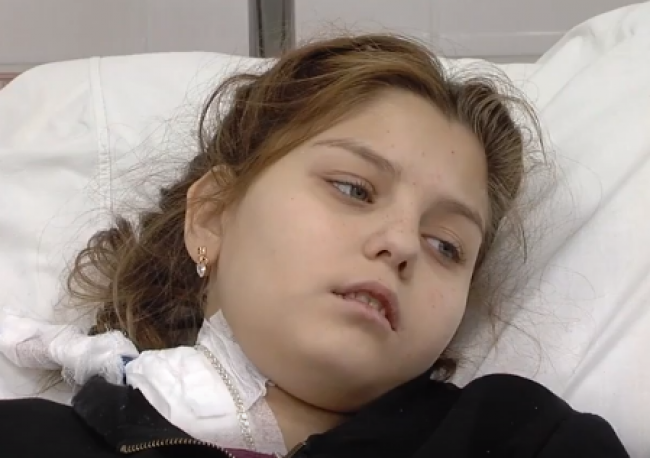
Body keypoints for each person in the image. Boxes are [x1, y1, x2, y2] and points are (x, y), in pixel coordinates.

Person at [0, 34, 628, 458]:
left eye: (446, 245)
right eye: (354, 189)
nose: (401, 244)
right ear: (212, 216)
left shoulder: (527, 439)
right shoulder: (28, 439)